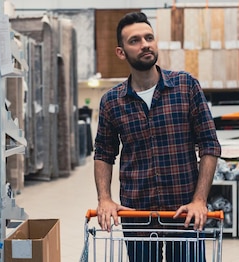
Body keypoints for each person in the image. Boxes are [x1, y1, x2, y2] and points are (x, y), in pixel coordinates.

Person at [92, 11, 221, 262]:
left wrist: (199, 200)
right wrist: (105, 199)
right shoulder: (111, 102)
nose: (145, 45)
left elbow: (209, 145)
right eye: (135, 41)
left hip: (184, 214)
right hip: (136, 215)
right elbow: (104, 154)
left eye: (149, 37)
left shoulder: (185, 86)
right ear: (121, 52)